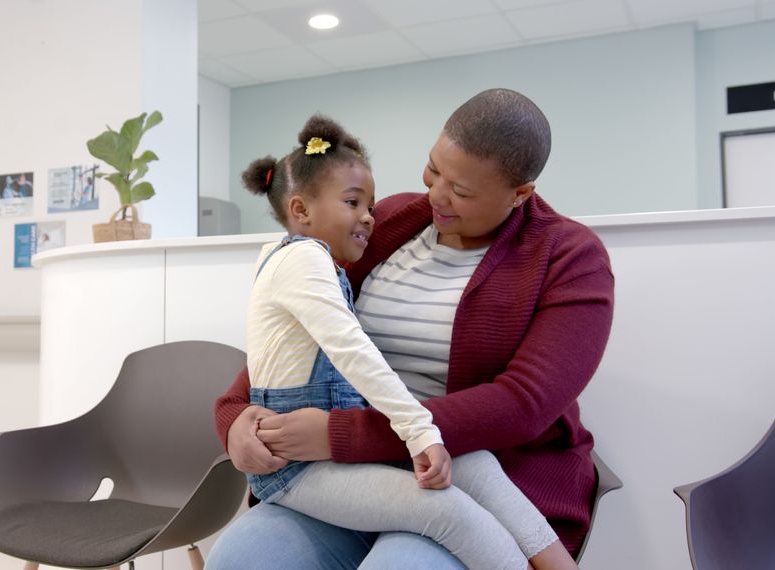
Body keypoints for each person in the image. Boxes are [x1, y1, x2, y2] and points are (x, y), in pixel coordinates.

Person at [208, 89, 614, 568]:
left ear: (519, 194)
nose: (436, 195)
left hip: (478, 474)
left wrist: (342, 434)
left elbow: (522, 405)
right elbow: (309, 322)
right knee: (240, 558)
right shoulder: (391, 220)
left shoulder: (570, 257)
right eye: (434, 170)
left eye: (461, 191)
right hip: (347, 470)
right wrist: (235, 415)